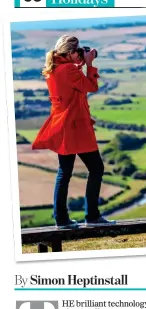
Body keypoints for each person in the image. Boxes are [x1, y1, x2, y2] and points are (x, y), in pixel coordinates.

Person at [32, 35, 115, 228]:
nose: (80, 54)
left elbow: (71, 87)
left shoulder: (53, 69)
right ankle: (92, 216)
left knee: (64, 172)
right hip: (76, 128)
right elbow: (91, 87)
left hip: (62, 126)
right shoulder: (69, 69)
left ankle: (61, 220)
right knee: (96, 169)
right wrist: (89, 64)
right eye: (77, 51)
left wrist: (80, 64)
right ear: (69, 53)